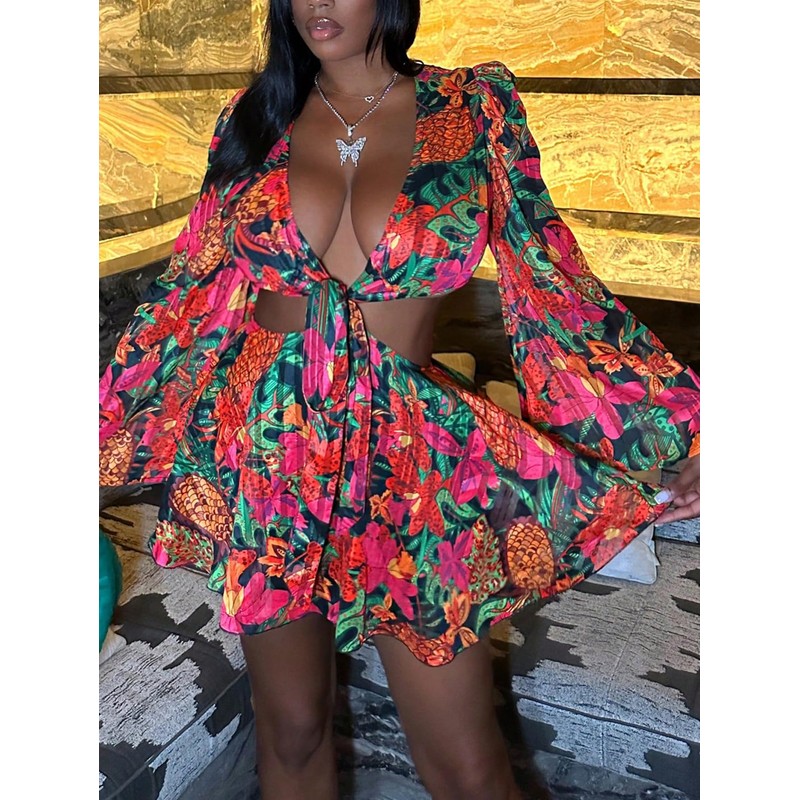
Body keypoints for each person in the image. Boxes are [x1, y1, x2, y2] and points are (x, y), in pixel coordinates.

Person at [99, 1, 700, 797]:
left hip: (414, 465)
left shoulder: (474, 108)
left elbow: (552, 278)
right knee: (292, 730)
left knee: (466, 765)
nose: (317, 2)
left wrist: (686, 429)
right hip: (266, 453)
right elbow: (189, 290)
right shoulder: (252, 118)